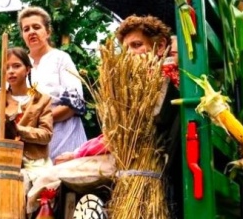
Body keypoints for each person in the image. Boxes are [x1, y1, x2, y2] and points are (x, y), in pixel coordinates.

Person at [54, 15, 177, 163]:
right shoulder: (156, 79)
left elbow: (118, 136)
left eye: (136, 45)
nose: (130, 53)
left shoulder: (158, 81)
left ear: (161, 46)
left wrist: (78, 153)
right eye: (126, 49)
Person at [18, 6, 86, 159]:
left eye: (36, 27)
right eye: (26, 29)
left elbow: (74, 104)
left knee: (64, 180)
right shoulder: (20, 64)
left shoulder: (60, 58)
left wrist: (40, 120)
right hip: (30, 142)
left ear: (48, 32)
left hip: (64, 136)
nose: (31, 32)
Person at [0, 47, 54, 167]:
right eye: (6, 68)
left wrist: (16, 129)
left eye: (16, 66)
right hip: (4, 160)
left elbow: (46, 135)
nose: (11, 71)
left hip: (34, 163)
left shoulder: (42, 99)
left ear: (28, 69)